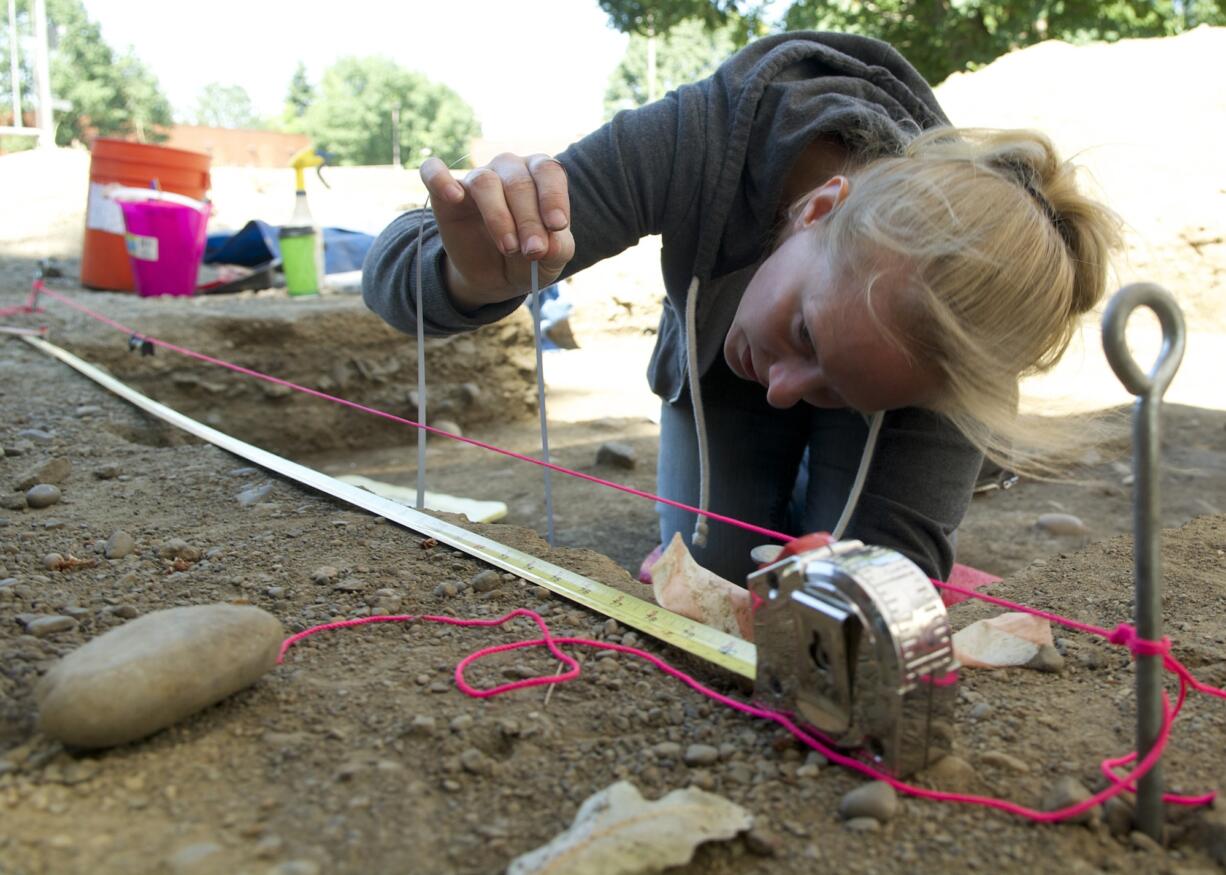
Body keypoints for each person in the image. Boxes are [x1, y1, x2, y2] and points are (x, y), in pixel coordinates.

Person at [362, 32, 1120, 585]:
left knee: (838, 588)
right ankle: (819, 456)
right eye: (803, 330)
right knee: (715, 573)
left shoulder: (958, 330)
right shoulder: (700, 136)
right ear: (820, 208)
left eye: (834, 384)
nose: (784, 384)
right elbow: (392, 275)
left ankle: (836, 434)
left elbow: (900, 570)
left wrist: (880, 570)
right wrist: (469, 276)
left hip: (879, 399)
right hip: (712, 371)